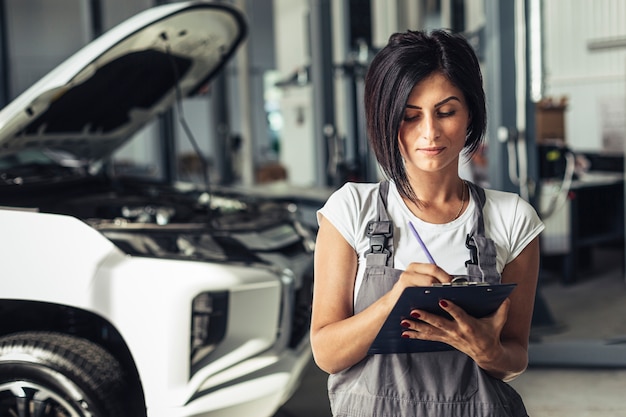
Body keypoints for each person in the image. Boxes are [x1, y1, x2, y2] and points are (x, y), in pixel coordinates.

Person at [310, 29, 545, 417]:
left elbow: (515, 358)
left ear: (470, 112)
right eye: (410, 116)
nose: (430, 132)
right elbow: (327, 353)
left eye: (446, 111)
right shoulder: (351, 210)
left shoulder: (513, 218)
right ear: (386, 119)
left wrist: (490, 351)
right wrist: (393, 300)